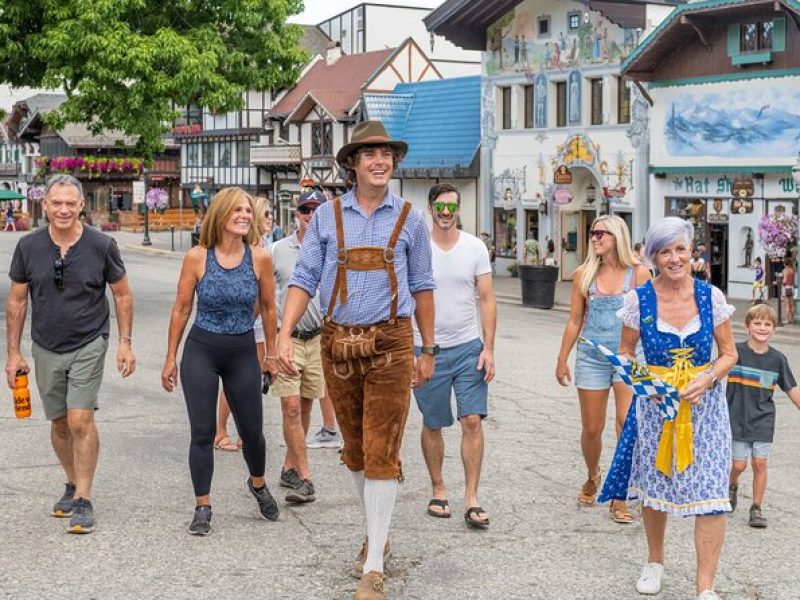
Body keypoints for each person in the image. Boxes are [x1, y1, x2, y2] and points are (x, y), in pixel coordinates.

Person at [277, 120, 435, 600]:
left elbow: (424, 286)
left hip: (392, 342)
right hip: (338, 343)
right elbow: (303, 278)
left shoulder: (410, 218)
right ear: (352, 164)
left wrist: (428, 348)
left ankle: (372, 565)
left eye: (386, 154)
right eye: (369, 154)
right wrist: (283, 335)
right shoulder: (326, 217)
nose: (379, 161)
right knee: (355, 451)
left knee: (382, 448)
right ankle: (378, 535)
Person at [603, 217, 738, 600]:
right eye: (665, 251)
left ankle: (705, 586)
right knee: (655, 485)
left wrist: (709, 377)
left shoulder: (710, 297)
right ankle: (655, 561)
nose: (675, 258)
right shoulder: (638, 300)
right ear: (653, 257)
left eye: (681, 249)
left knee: (712, 493)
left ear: (690, 252)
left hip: (705, 410)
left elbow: (729, 354)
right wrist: (648, 382)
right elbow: (626, 354)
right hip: (657, 407)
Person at [5, 174, 136, 534]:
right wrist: (13, 353)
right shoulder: (28, 247)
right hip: (46, 344)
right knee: (59, 422)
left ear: (81, 206)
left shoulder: (102, 245)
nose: (63, 209)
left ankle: (84, 498)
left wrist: (124, 342)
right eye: (56, 203)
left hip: (89, 341)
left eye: (70, 203)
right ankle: (70, 482)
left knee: (80, 419)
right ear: (45, 205)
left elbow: (121, 295)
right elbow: (17, 301)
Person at [161, 187, 280, 536]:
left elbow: (270, 308)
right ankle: (202, 505)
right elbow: (182, 308)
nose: (244, 216)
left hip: (242, 349)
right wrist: (170, 357)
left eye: (247, 211)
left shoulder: (259, 258)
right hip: (202, 349)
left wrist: (271, 354)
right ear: (221, 215)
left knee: (253, 432)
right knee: (202, 431)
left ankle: (257, 483)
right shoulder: (198, 257)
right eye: (237, 211)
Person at [556, 215, 650, 524]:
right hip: (592, 355)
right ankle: (593, 474)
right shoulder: (585, 273)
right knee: (592, 428)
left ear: (617, 237)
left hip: (627, 357)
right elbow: (574, 320)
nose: (595, 238)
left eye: (601, 233)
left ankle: (619, 493)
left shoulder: (638, 274)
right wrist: (562, 359)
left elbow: (649, 321)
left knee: (625, 422)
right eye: (593, 233)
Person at [413, 183, 496, 528]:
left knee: (472, 420)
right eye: (440, 208)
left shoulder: (475, 247)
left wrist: (489, 347)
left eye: (452, 208)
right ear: (430, 209)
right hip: (426, 348)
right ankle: (438, 487)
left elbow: (487, 299)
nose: (446, 214)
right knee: (433, 423)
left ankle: (472, 497)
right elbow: (406, 301)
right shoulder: (417, 249)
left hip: (467, 347)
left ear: (458, 210)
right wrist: (409, 350)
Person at [272, 190, 334, 503]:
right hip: (289, 338)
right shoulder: (278, 250)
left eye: (317, 210)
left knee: (307, 405)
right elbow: (266, 301)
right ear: (296, 214)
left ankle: (289, 465)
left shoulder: (334, 250)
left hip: (319, 339)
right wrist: (268, 345)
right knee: (291, 406)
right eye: (305, 210)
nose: (311, 215)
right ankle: (305, 477)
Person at [727, 304, 800, 528]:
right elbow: (713, 374)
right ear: (747, 326)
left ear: (774, 330)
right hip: (737, 416)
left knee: (759, 462)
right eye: (757, 323)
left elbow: (791, 388)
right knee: (738, 465)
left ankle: (756, 508)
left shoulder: (777, 360)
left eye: (767, 324)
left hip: (763, 419)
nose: (762, 328)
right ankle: (732, 486)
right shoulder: (734, 353)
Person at [213, 196, 273, 453]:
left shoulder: (262, 246)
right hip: (251, 324)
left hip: (254, 322)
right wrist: (251, 318)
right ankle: (223, 430)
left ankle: (239, 431)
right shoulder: (255, 247)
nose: (270, 219)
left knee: (245, 379)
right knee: (239, 379)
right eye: (266, 214)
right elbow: (260, 298)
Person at [781, 256, 795, 325]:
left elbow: (784, 280)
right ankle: (792, 319)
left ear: (785, 263)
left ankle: (787, 319)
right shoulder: (792, 270)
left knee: (786, 305)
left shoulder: (784, 270)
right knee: (791, 304)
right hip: (791, 287)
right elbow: (793, 280)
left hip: (786, 287)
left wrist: (779, 282)